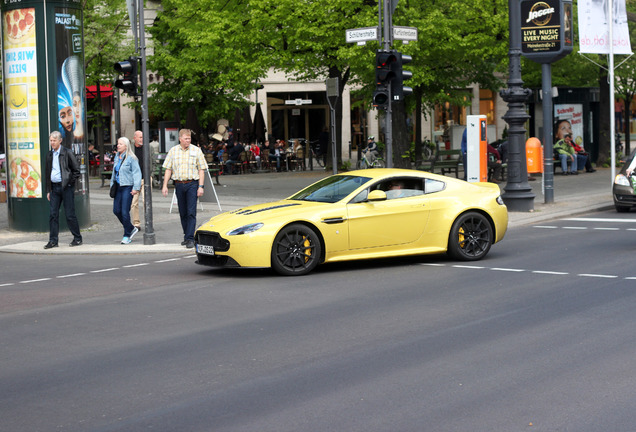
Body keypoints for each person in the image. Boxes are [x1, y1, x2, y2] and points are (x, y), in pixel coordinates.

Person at [161, 129, 208, 248]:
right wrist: (165, 185)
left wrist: (201, 187)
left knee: (191, 212)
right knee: (183, 212)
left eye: (189, 139)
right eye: (186, 139)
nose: (188, 141)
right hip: (179, 184)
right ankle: (186, 235)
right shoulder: (173, 151)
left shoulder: (196, 151)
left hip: (192, 183)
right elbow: (168, 169)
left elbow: (201, 169)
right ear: (180, 138)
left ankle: (190, 238)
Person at [44, 131, 82, 249]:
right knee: (53, 214)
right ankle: (53, 240)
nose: (52, 143)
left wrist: (69, 184)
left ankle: (77, 238)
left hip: (66, 187)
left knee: (70, 214)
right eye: (51, 140)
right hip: (54, 188)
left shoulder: (67, 153)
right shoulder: (49, 155)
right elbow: (47, 173)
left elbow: (76, 171)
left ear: (60, 141)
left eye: (54, 140)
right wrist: (48, 190)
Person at [111, 137, 142, 244]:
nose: (118, 145)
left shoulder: (131, 158)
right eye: (118, 143)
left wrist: (136, 188)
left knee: (124, 212)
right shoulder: (117, 157)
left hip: (128, 186)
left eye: (120, 144)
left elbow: (137, 173)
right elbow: (114, 173)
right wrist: (112, 184)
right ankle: (130, 228)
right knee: (116, 210)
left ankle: (127, 234)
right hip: (118, 186)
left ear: (126, 146)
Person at [130, 130, 154, 230]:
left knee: (147, 201)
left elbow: (153, 161)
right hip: (134, 179)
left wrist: (151, 174)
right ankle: (136, 224)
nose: (142, 139)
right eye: (140, 137)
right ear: (134, 138)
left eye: (143, 137)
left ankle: (149, 223)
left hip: (147, 178)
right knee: (134, 202)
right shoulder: (130, 148)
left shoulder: (149, 147)